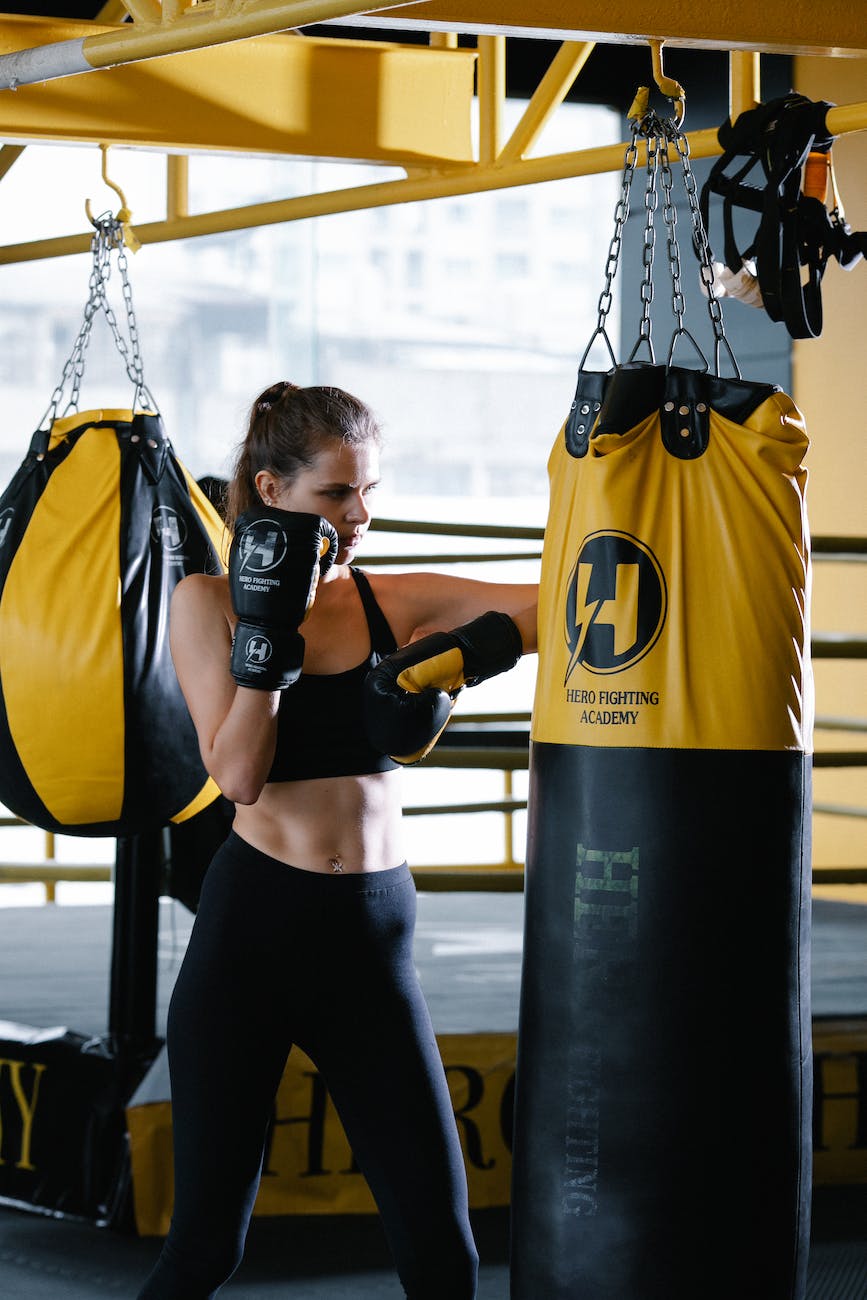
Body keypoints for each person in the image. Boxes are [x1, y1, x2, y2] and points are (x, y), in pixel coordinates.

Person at [136, 380, 538, 1300]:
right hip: (254, 934)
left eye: (368, 492)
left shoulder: (395, 598)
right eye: (335, 493)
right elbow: (237, 776)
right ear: (270, 489)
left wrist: (470, 652)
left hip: (371, 941)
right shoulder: (205, 603)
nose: (358, 515)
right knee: (205, 1250)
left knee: (443, 1253)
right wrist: (268, 639)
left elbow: (571, 593)